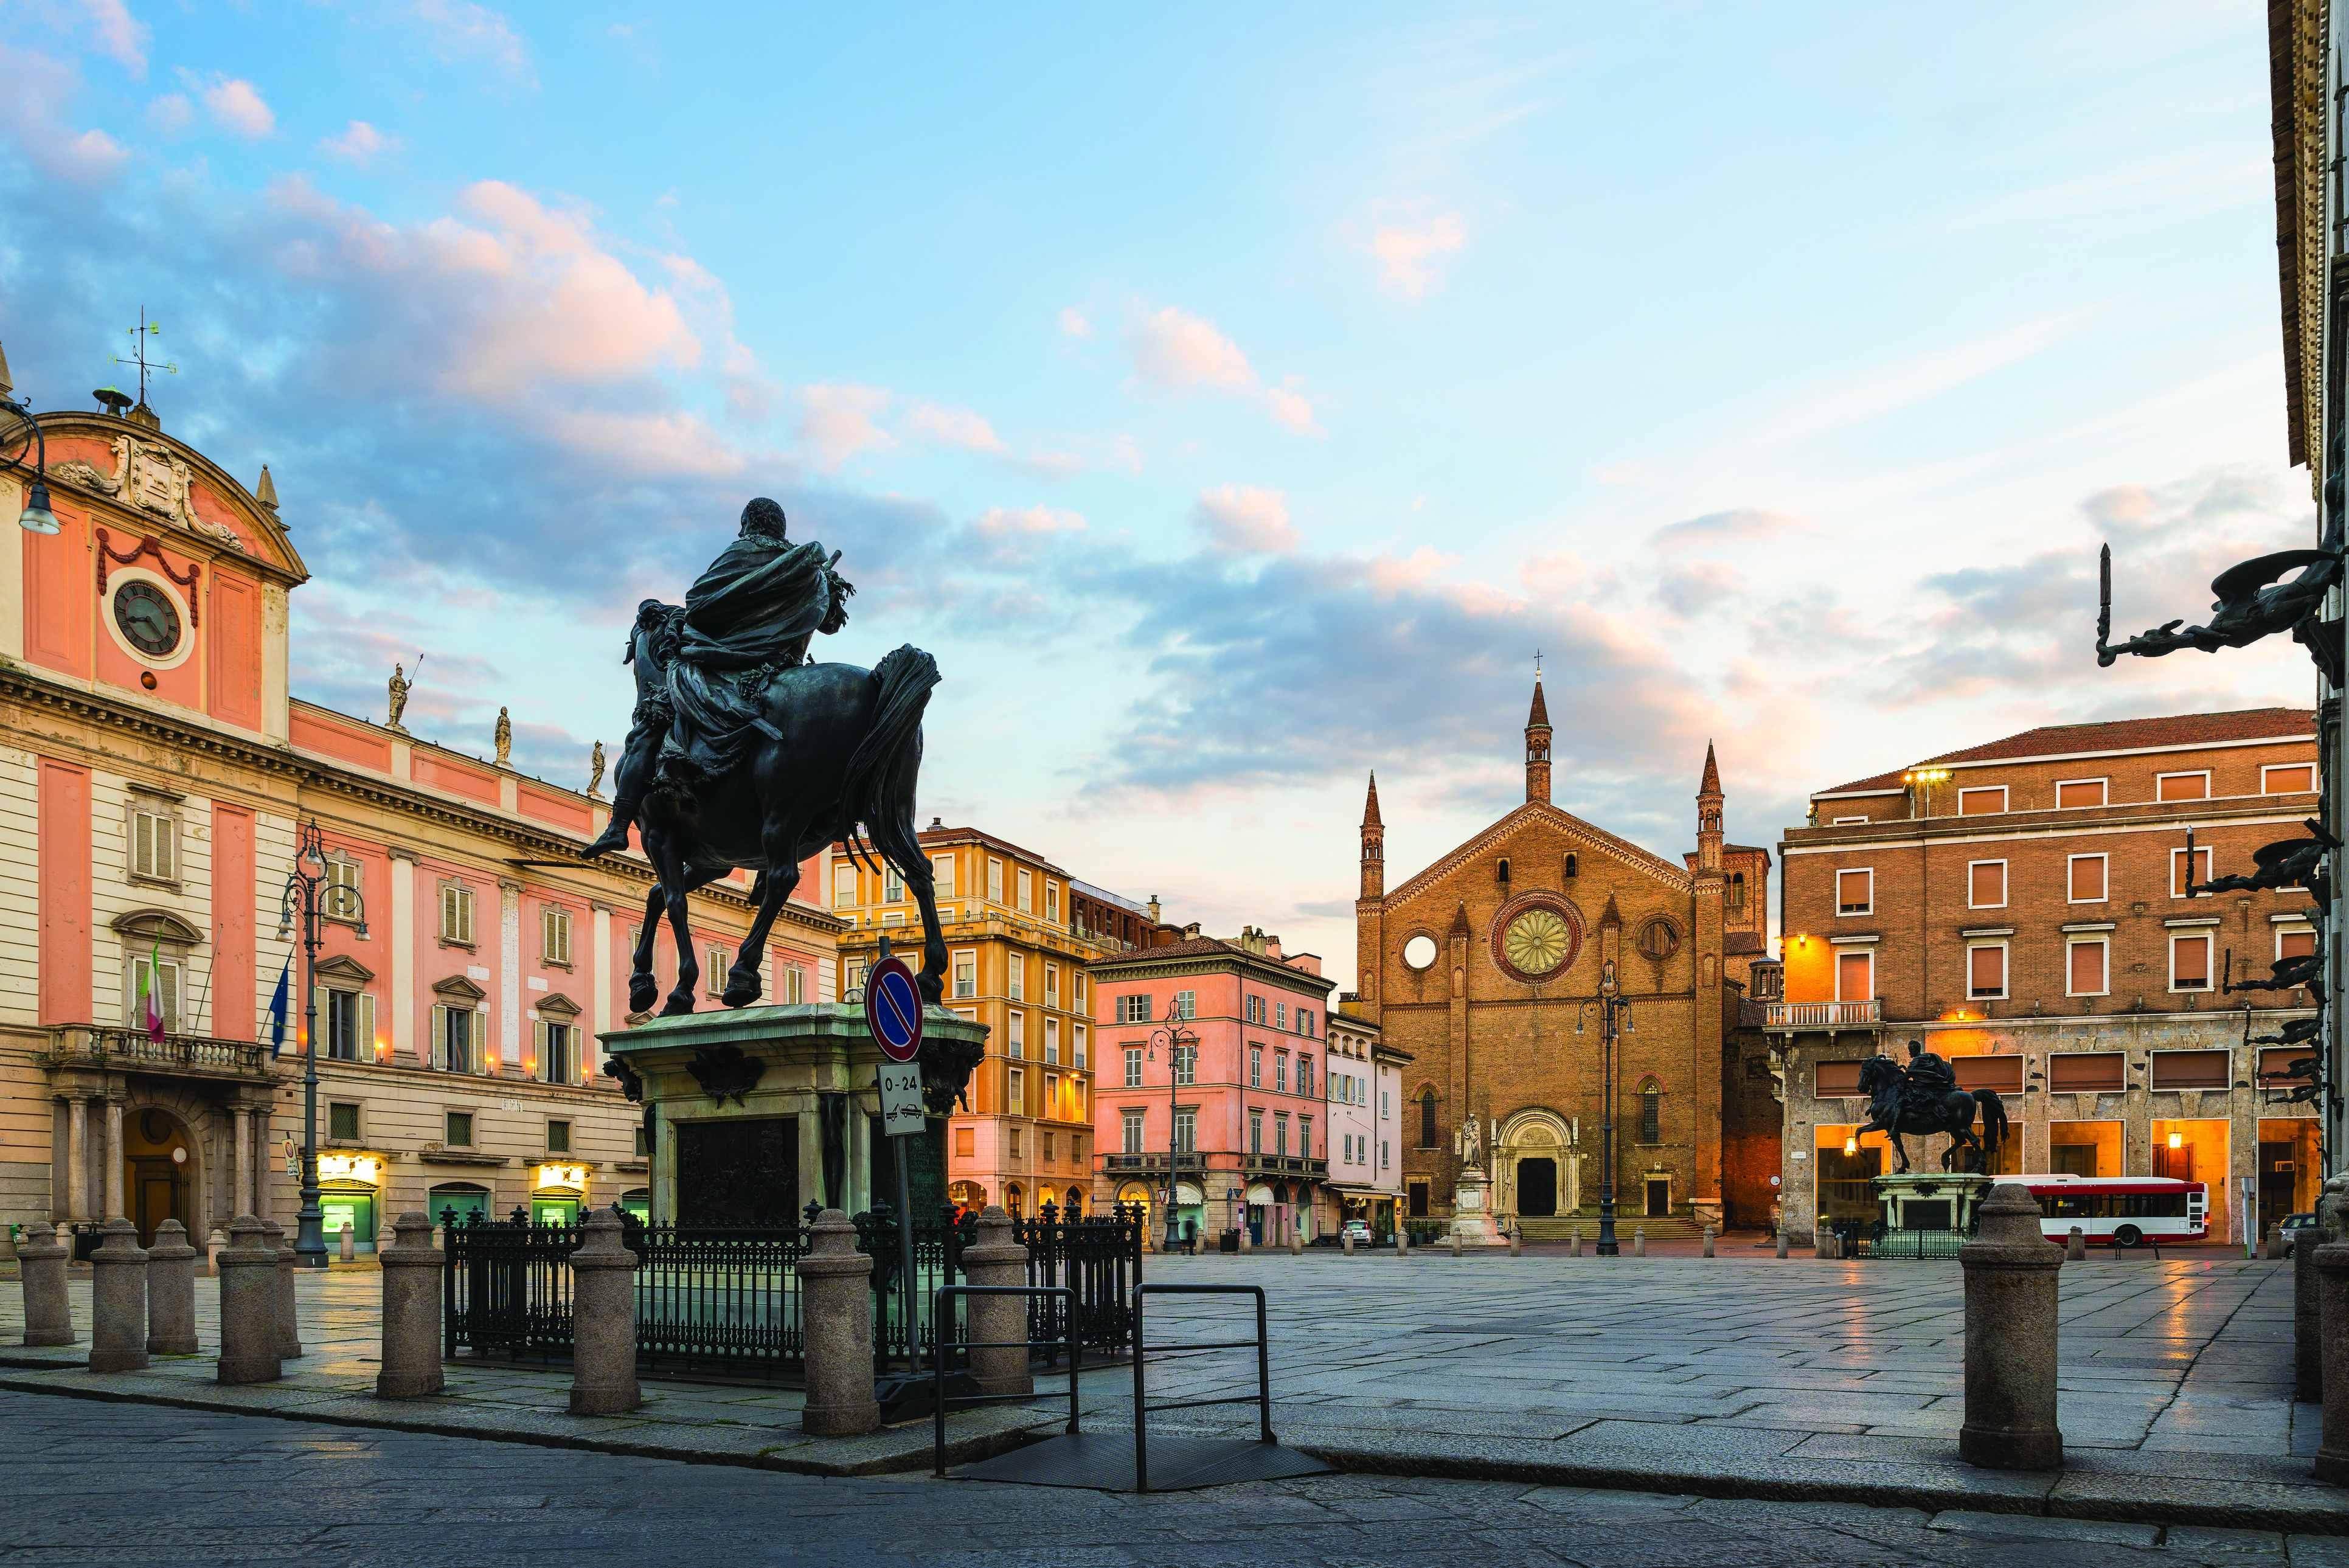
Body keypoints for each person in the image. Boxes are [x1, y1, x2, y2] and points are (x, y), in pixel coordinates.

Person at [583, 499, 852, 858]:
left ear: (747, 525)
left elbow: (699, 603)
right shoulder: (805, 567)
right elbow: (831, 623)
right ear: (781, 528)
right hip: (789, 669)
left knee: (649, 726)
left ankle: (618, 826)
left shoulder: (744, 552)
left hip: (734, 669)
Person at [1900, 1037, 1955, 1120]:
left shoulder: (1917, 1061)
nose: (1909, 1053)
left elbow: (1907, 1076)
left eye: (1910, 1050)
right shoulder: (1926, 1058)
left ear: (1914, 1050)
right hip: (1927, 1084)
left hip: (1922, 1086)